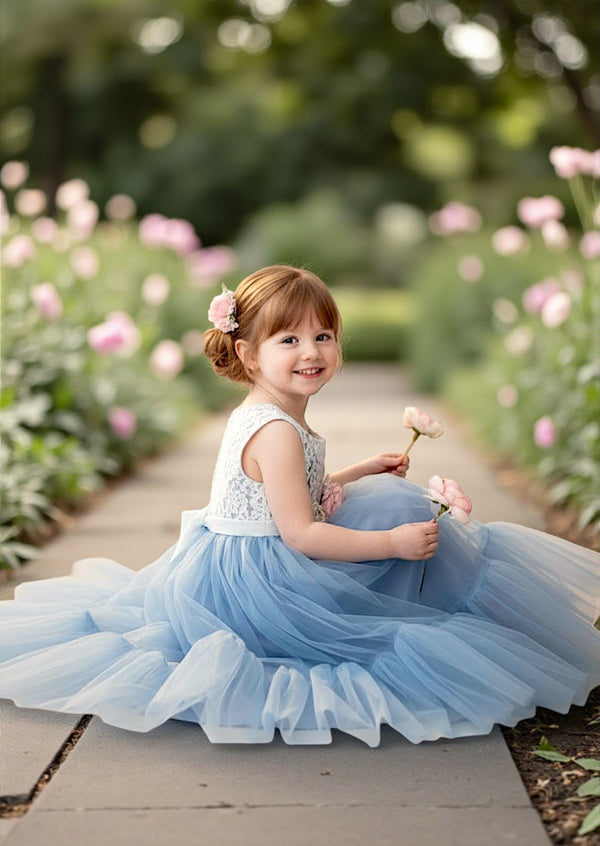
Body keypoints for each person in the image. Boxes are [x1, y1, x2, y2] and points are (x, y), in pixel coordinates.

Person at [0, 264, 598, 747]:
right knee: (396, 521)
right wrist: (391, 545)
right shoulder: (276, 429)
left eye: (324, 336)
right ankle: (433, 606)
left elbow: (282, 494)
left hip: (257, 545)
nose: (311, 351)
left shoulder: (280, 414)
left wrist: (357, 471)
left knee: (387, 495)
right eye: (289, 339)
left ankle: (430, 589)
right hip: (258, 580)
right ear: (250, 354)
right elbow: (301, 534)